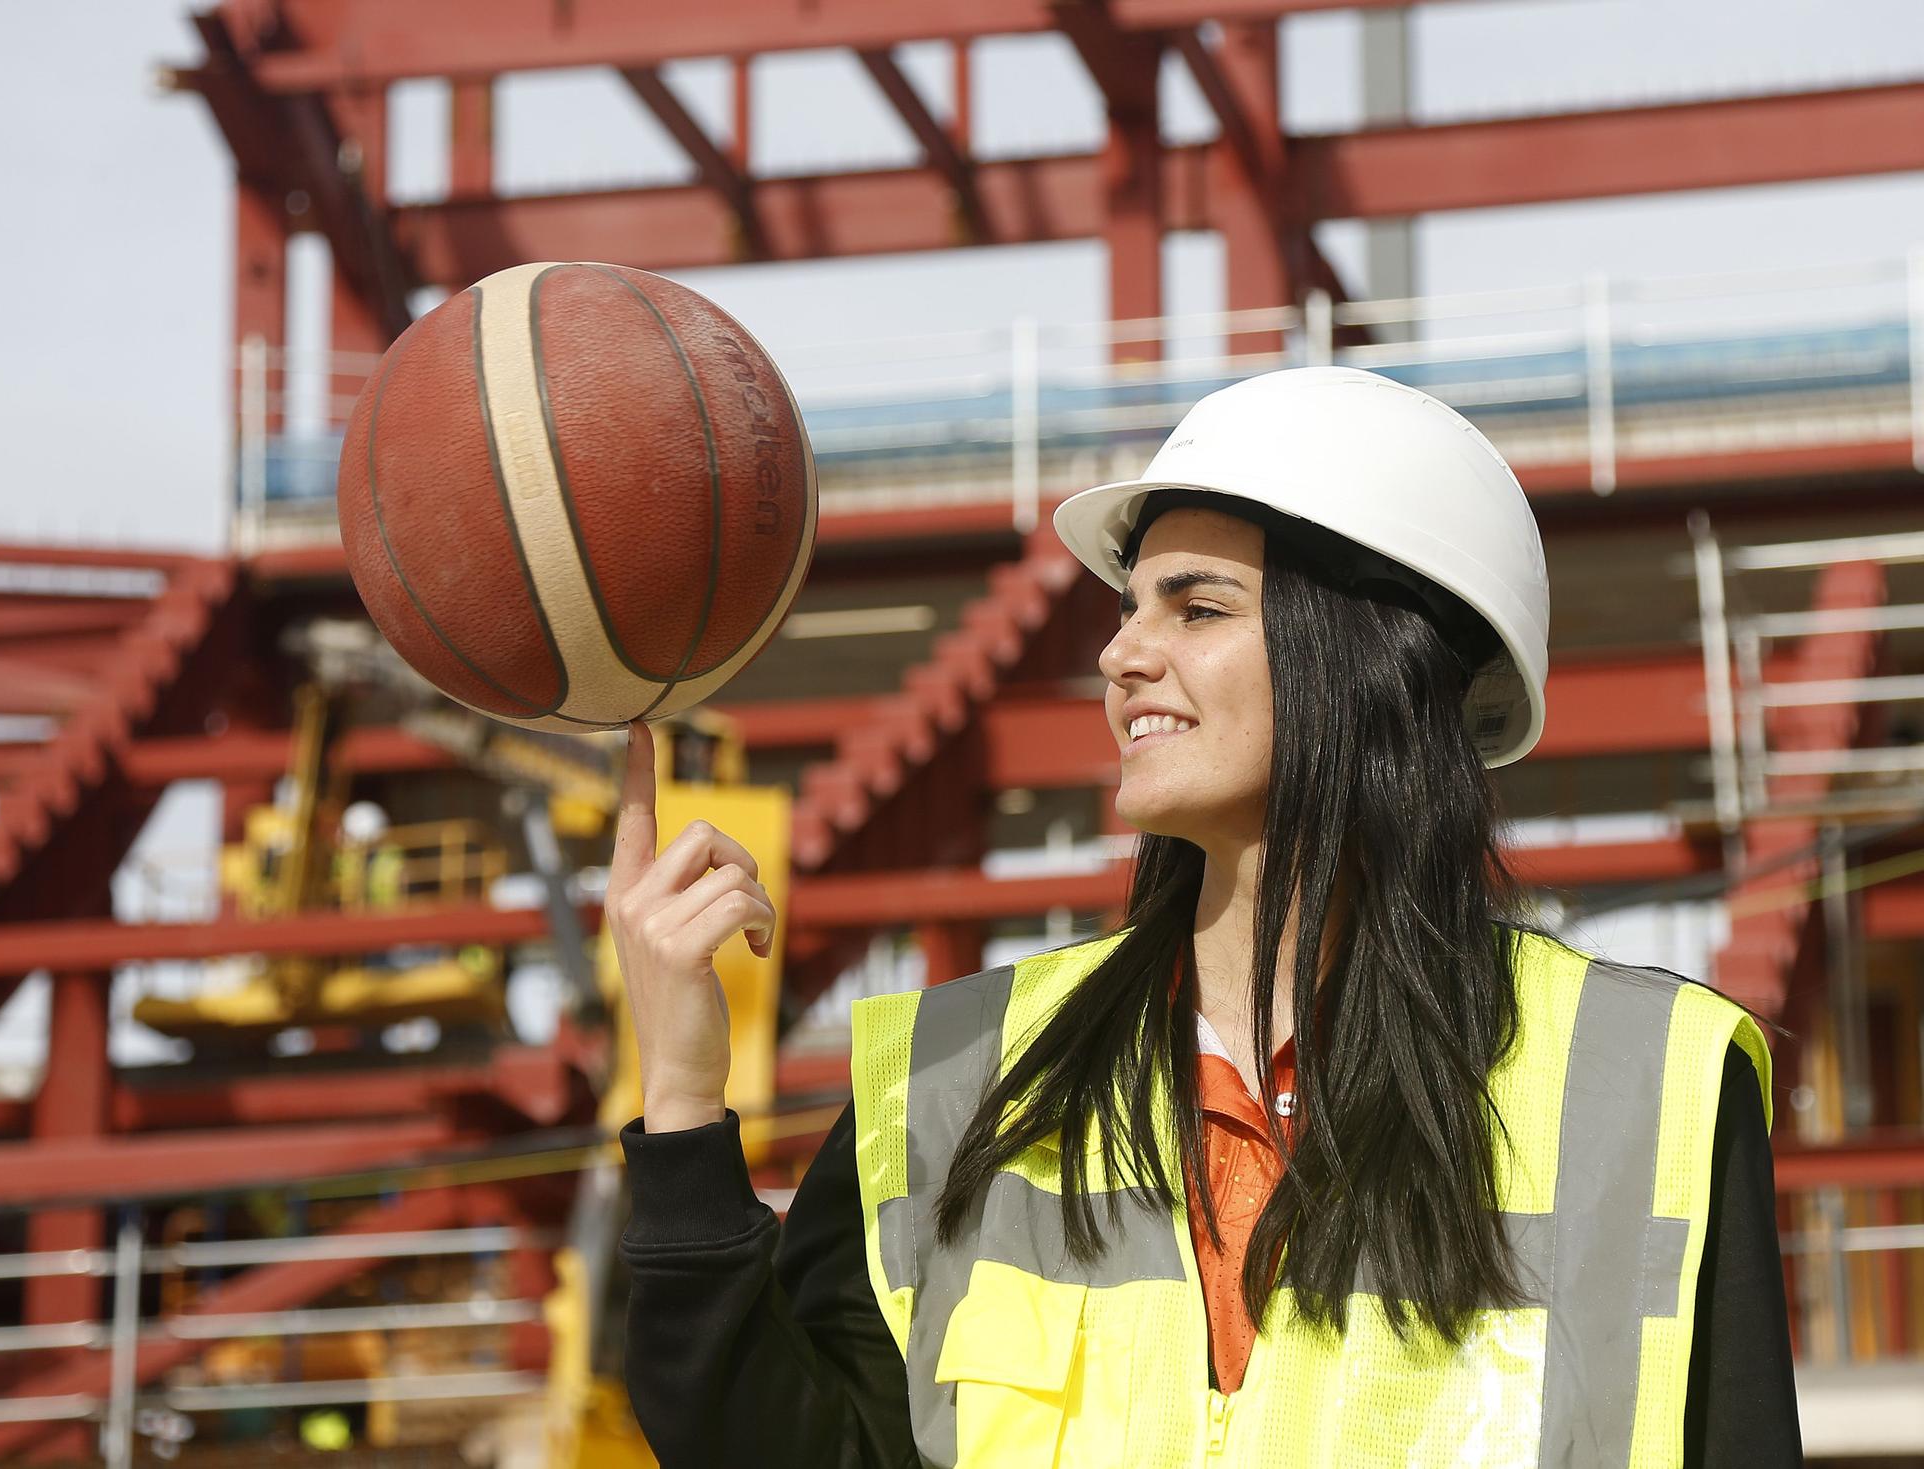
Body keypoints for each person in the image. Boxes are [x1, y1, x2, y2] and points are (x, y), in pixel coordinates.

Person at [604, 366, 1801, 1467]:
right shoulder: (950, 1084)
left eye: (1197, 607)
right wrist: (681, 1098)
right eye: (1130, 608)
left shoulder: (1648, 1089)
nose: (1121, 652)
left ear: (1364, 657)